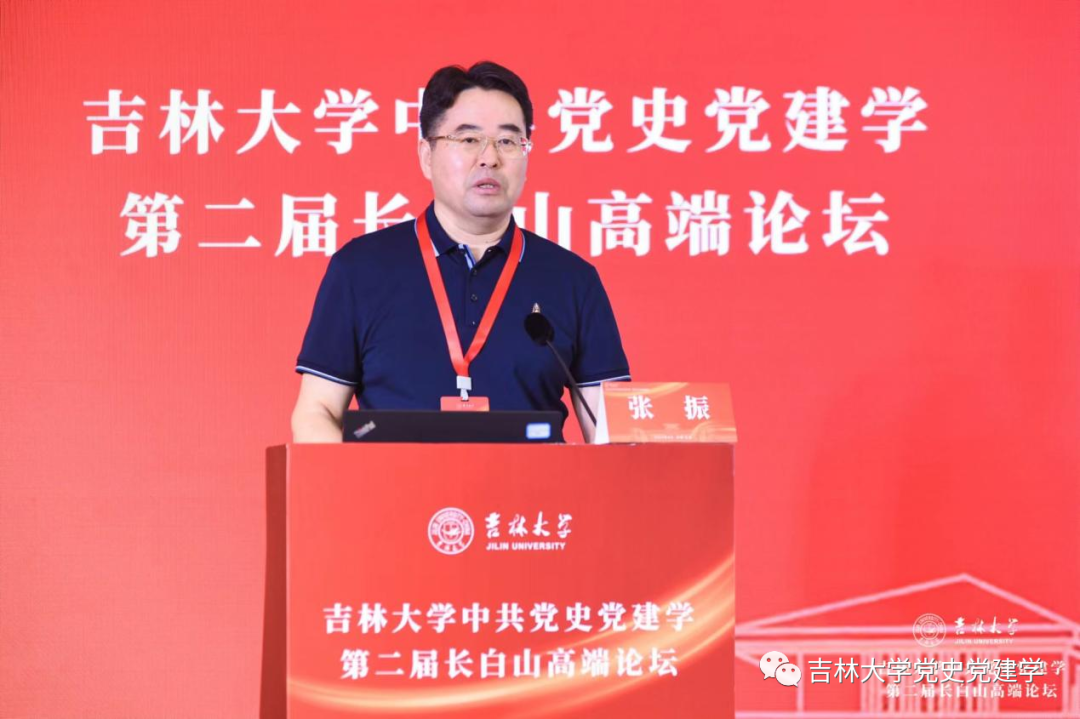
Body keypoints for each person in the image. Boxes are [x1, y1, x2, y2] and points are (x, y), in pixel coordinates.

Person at [290, 61, 629, 443]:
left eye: (508, 141)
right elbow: (317, 412)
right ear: (426, 154)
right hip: (393, 483)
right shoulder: (360, 269)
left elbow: (610, 433)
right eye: (469, 140)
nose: (490, 158)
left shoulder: (573, 280)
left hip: (532, 485)